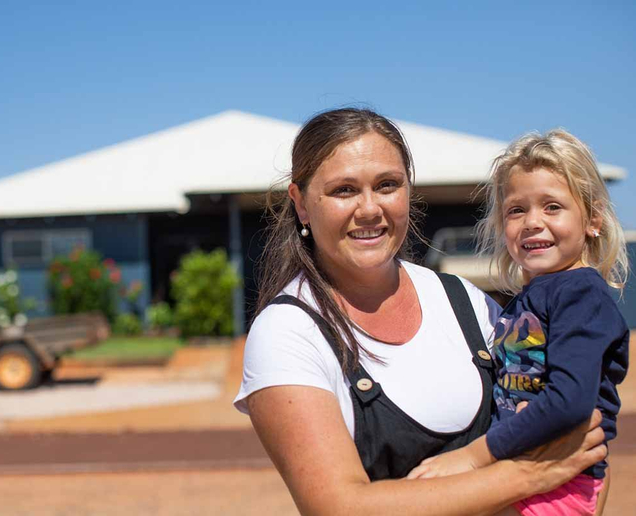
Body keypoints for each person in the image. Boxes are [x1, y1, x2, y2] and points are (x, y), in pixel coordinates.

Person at [234, 109, 607, 515]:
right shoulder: (287, 332)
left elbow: (585, 444)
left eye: (387, 185)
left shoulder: (465, 302)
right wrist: (528, 476)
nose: (369, 208)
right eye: (344, 190)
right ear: (302, 204)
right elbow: (340, 507)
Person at [407, 129, 629, 515]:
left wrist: (472, 457)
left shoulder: (581, 294)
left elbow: (569, 403)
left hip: (562, 478)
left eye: (552, 207)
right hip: (519, 468)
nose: (532, 222)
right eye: (516, 210)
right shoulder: (526, 300)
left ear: (592, 219)